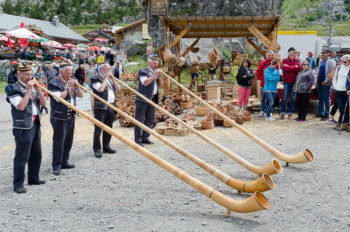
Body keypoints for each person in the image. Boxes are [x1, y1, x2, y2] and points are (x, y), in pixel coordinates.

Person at [5, 61, 46, 194]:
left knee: (36, 154)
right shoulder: (12, 88)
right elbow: (21, 106)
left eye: (31, 74)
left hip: (35, 123)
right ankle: (18, 184)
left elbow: (44, 103)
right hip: (22, 126)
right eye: (27, 74)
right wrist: (29, 90)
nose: (30, 76)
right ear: (19, 74)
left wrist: (38, 88)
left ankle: (33, 178)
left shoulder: (33, 86)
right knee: (22, 156)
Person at [48, 63, 83, 176]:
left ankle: (64, 161)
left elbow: (81, 96)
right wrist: (70, 87)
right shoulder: (53, 82)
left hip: (70, 115)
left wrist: (77, 86)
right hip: (59, 116)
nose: (70, 75)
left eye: (71, 73)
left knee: (68, 139)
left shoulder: (71, 81)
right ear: (61, 72)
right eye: (67, 73)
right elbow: (58, 98)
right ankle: (56, 165)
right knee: (59, 141)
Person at [90, 63, 121, 158]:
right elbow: (101, 89)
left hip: (111, 106)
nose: (108, 71)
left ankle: (106, 146)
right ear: (101, 70)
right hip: (100, 107)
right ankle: (97, 149)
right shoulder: (95, 78)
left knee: (109, 127)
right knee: (98, 128)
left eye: (109, 70)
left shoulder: (109, 80)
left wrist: (113, 79)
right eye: (107, 70)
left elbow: (119, 89)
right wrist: (106, 78)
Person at [134, 54, 164, 146]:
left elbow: (161, 86)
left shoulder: (155, 73)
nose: (156, 65)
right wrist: (154, 75)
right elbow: (145, 83)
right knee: (139, 119)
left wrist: (159, 77)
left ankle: (145, 137)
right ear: (149, 63)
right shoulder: (143, 71)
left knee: (150, 119)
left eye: (157, 63)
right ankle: (138, 139)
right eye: (154, 63)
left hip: (152, 99)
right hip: (143, 99)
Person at [280, 47, 301, 119]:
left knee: (292, 99)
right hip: (286, 82)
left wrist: (289, 67)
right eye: (294, 53)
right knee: (284, 98)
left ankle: (290, 113)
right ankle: (282, 113)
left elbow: (299, 68)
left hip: (294, 82)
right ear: (290, 53)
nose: (295, 54)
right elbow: (284, 68)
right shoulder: (284, 60)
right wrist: (294, 67)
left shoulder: (298, 60)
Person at [316, 48, 336, 120]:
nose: (322, 54)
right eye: (322, 52)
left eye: (324, 52)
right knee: (320, 98)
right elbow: (318, 71)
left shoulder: (331, 61)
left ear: (328, 53)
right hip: (320, 82)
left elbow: (332, 73)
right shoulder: (321, 61)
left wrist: (326, 81)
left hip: (326, 83)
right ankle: (320, 113)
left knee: (326, 98)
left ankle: (326, 114)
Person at [256, 50, 277, 117]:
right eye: (268, 55)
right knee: (263, 99)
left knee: (270, 100)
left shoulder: (274, 63)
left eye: (270, 55)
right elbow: (258, 72)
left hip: (271, 85)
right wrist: (261, 79)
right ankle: (262, 111)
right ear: (266, 55)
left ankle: (269, 111)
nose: (269, 56)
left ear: (272, 56)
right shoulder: (262, 63)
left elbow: (276, 73)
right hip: (264, 85)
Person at [332, 55, 350, 131]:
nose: (343, 63)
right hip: (338, 90)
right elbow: (335, 78)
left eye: (345, 61)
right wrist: (335, 87)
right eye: (342, 61)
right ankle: (342, 123)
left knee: (345, 108)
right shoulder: (339, 67)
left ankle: (343, 123)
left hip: (346, 91)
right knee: (341, 108)